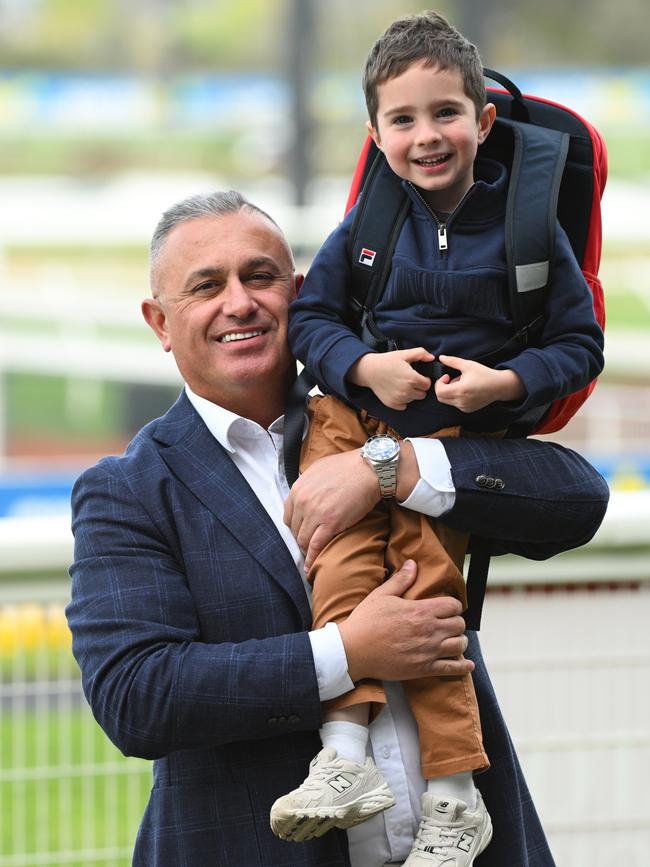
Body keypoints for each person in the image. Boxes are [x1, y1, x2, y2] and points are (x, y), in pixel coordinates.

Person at [66, 189, 608, 867]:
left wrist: (393, 466)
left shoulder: (387, 408)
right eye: (207, 286)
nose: (239, 302)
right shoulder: (129, 489)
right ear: (160, 321)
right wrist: (350, 651)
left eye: (260, 277)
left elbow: (577, 500)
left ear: (299, 292)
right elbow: (137, 696)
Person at [283, 11, 604, 864]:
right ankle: (343, 752)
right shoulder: (368, 225)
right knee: (337, 551)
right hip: (361, 411)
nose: (427, 136)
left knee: (427, 597)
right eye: (403, 119)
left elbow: (581, 345)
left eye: (445, 114)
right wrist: (361, 369)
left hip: (451, 434)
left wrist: (509, 382)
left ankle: (457, 796)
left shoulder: (528, 228)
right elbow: (309, 318)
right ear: (376, 133)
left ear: (483, 121)